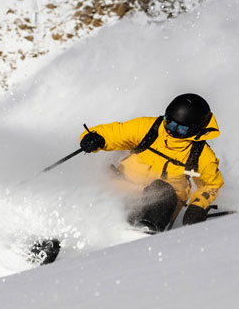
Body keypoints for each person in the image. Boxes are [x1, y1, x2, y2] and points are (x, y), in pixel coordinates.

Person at [79, 93, 223, 233]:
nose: (171, 130)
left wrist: (197, 206)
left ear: (196, 129)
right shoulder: (149, 128)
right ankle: (71, 230)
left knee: (161, 190)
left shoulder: (200, 154)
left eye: (180, 128)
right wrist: (95, 138)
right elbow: (116, 132)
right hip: (123, 187)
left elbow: (211, 184)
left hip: (162, 205)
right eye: (169, 122)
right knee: (100, 200)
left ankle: (142, 233)